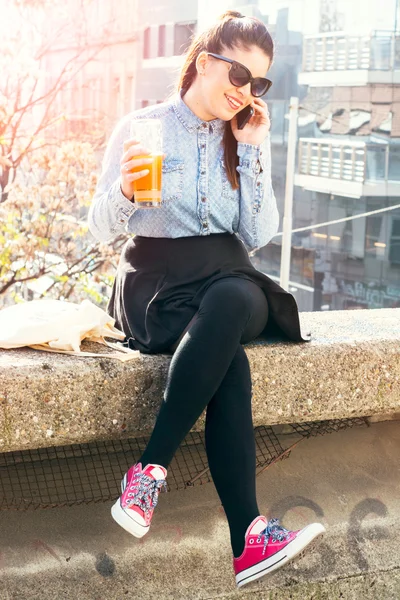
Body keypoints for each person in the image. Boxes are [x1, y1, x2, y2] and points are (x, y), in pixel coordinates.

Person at [88, 10, 325, 589]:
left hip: (227, 275)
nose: (244, 91)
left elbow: (257, 234)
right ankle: (248, 538)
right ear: (203, 61)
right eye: (238, 74)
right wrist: (124, 190)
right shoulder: (142, 126)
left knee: (228, 303)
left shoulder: (242, 135)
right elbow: (98, 228)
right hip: (158, 283)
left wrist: (251, 150)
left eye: (258, 83)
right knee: (229, 362)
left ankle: (148, 471)